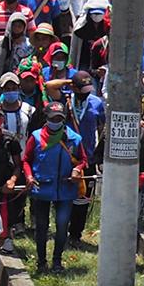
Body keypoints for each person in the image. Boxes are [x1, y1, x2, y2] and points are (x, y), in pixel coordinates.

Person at [22, 101, 85, 274]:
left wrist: (77, 169)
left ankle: (57, 260)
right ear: (46, 118)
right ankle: (41, 261)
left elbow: (83, 160)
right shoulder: (35, 137)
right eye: (53, 118)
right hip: (42, 188)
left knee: (62, 224)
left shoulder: (74, 138)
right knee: (41, 226)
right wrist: (29, 176)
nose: (56, 121)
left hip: (66, 188)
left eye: (59, 118)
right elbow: (26, 159)